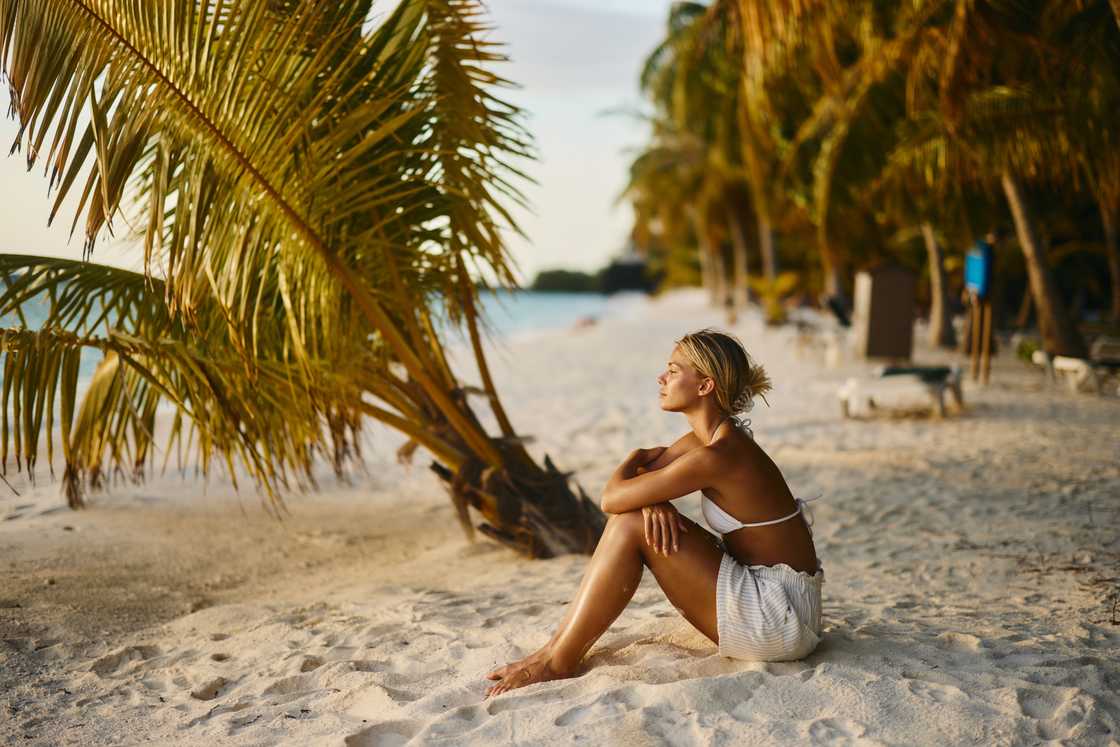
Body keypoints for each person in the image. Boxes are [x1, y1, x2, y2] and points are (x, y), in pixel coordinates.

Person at [484, 329, 823, 697]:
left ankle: (557, 661)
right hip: (782, 600)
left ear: (705, 386)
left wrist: (636, 460)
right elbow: (640, 482)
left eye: (673, 371)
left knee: (630, 523)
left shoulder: (719, 455)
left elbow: (612, 498)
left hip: (777, 617)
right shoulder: (708, 440)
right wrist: (654, 500)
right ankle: (552, 651)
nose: (661, 378)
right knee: (635, 515)